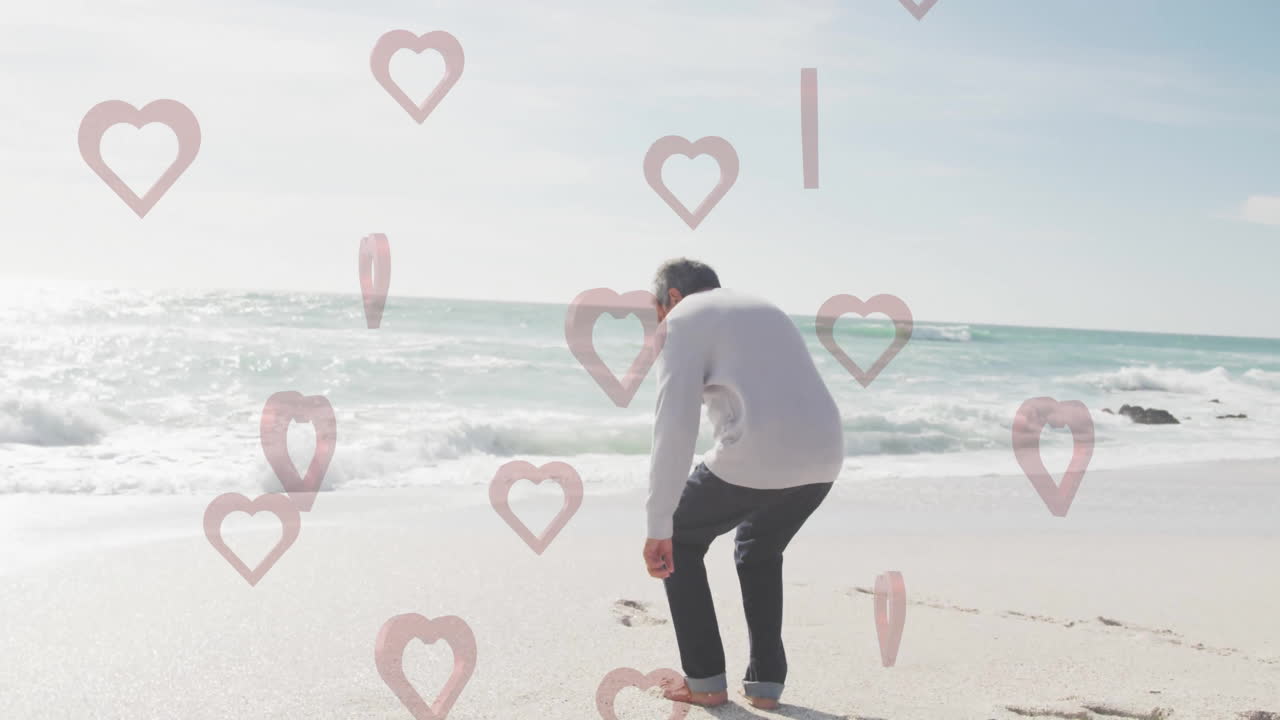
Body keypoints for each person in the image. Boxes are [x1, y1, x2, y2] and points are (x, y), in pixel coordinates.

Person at [641, 258, 845, 709]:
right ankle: (766, 686)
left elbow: (673, 426)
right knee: (759, 550)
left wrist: (659, 525)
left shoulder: (681, 318)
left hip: (756, 456)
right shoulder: (764, 308)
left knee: (682, 540)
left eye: (655, 308)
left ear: (671, 299)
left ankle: (705, 682)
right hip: (825, 456)